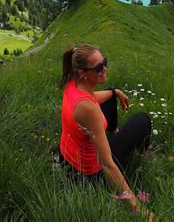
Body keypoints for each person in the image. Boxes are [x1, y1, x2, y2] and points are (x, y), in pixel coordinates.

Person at [59, 44, 153, 218]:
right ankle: (142, 155)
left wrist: (114, 92)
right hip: (89, 177)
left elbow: (93, 97)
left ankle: (114, 134)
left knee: (109, 98)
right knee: (142, 120)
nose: (105, 68)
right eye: (99, 67)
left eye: (105, 62)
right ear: (83, 73)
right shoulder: (88, 109)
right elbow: (106, 165)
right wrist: (138, 207)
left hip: (67, 159)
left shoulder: (73, 84)